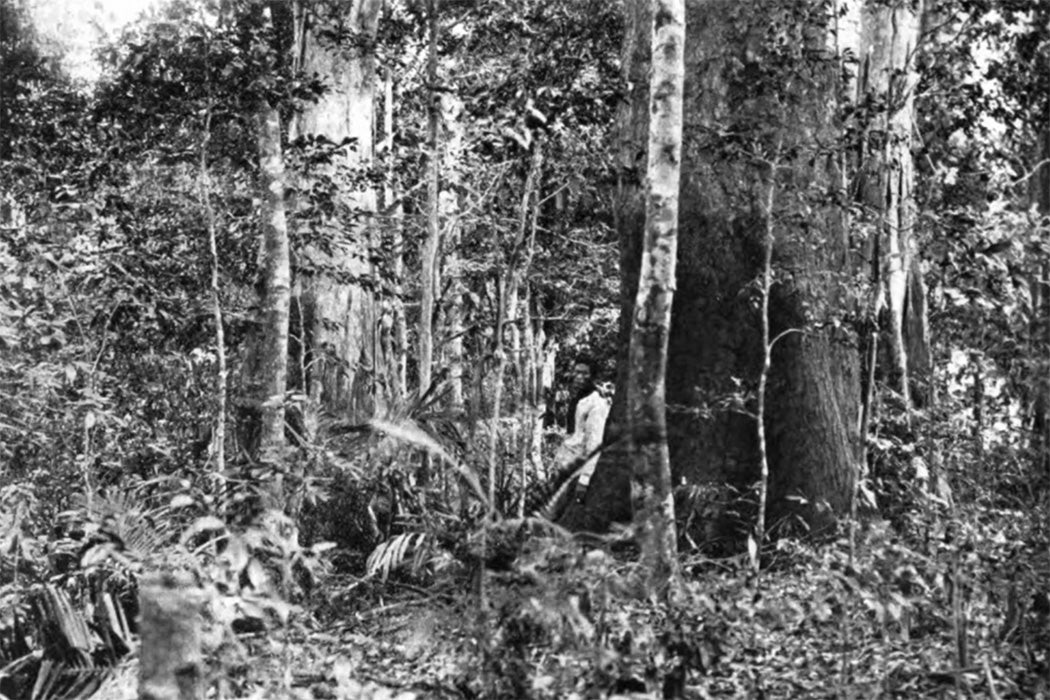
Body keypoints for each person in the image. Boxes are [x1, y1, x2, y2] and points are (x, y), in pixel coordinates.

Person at [555, 359, 611, 503]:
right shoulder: (578, 399)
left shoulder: (596, 403)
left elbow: (594, 442)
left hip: (577, 469)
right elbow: (572, 435)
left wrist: (584, 480)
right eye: (577, 372)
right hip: (565, 465)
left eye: (584, 373)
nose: (579, 377)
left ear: (593, 376)